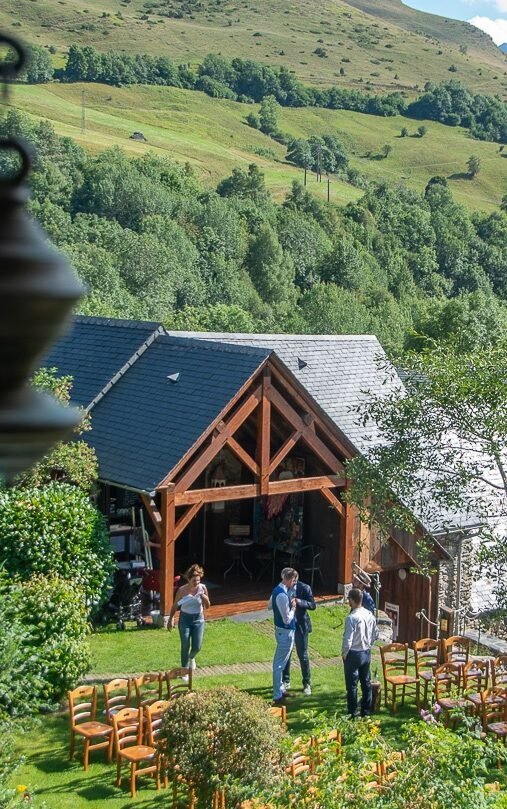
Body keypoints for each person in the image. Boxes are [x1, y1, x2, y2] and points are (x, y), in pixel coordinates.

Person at [168, 564, 210, 681]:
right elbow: (175, 606)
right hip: (185, 620)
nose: (196, 583)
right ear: (188, 579)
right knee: (185, 644)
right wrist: (170, 619)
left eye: (198, 580)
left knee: (197, 646)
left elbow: (207, 606)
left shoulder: (203, 588)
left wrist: (205, 598)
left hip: (198, 619)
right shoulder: (182, 590)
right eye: (194, 581)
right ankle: (184, 672)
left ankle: (192, 657)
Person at [342, 587, 378, 718]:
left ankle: (352, 712)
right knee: (366, 682)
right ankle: (366, 711)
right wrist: (369, 645)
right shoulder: (369, 614)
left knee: (352, 685)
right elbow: (375, 634)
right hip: (366, 652)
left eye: (349, 599)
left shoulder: (351, 618)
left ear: (352, 600)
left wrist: (344, 654)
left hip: (353, 653)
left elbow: (348, 639)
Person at [282, 572, 315, 696]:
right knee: (287, 653)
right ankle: (286, 680)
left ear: (296, 579)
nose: (290, 583)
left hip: (300, 625)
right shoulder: (284, 587)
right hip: (288, 625)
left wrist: (299, 601)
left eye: (292, 581)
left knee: (303, 655)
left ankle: (307, 683)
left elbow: (313, 605)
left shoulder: (305, 588)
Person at [269, 567, 298, 705]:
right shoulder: (281, 595)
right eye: (294, 580)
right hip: (285, 632)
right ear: (289, 579)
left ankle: (280, 690)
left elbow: (269, 605)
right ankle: (277, 695)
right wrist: (293, 608)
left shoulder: (278, 590)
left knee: (281, 663)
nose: (294, 583)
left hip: (282, 631)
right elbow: (287, 619)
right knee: (279, 664)